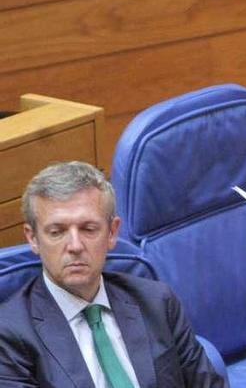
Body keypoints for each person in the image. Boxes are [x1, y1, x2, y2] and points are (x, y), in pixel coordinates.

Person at [0, 161, 227, 388]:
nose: (75, 245)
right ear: (33, 238)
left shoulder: (156, 302)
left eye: (89, 229)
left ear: (112, 232)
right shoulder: (10, 334)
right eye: (57, 232)